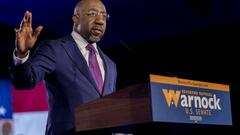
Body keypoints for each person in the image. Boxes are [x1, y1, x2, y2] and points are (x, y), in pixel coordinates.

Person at [10, 0, 117, 135]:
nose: (100, 21)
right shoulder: (54, 49)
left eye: (104, 15)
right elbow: (24, 82)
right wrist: (22, 54)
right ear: (75, 18)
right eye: (92, 13)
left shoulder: (110, 65)